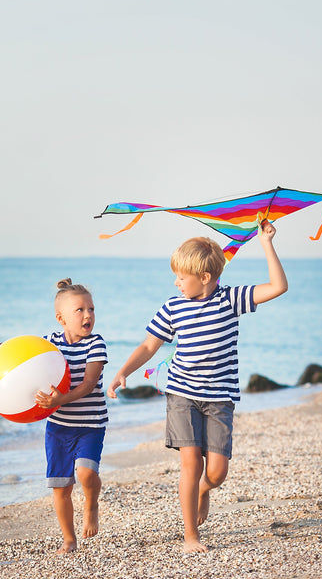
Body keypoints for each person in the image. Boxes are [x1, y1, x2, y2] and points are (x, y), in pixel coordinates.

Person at [107, 221, 287, 553]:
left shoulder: (232, 299)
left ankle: (204, 491)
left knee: (216, 473)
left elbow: (278, 286)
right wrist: (123, 372)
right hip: (182, 395)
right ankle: (191, 537)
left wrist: (266, 243)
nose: (176, 283)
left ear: (204, 278)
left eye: (181, 277)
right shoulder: (172, 307)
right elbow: (149, 347)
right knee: (191, 461)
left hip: (220, 399)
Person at [0, 278, 107, 554]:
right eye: (80, 310)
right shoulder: (49, 343)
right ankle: (69, 539)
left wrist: (60, 398)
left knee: (86, 474)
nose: (88, 315)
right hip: (59, 427)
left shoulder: (96, 344)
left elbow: (87, 385)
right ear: (61, 318)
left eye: (92, 309)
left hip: (90, 424)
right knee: (60, 486)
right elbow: (21, 352)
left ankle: (91, 504)